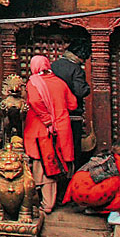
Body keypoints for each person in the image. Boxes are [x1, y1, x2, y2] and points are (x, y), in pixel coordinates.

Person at [23, 54, 77, 215]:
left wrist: (47, 119)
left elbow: (34, 101)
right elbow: (73, 104)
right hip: (62, 128)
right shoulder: (60, 83)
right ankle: (60, 198)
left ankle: (46, 203)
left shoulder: (33, 83)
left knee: (45, 165)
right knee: (61, 163)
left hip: (41, 130)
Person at [65, 144, 120, 220]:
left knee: (110, 183)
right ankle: (114, 215)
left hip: (74, 192)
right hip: (88, 194)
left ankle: (94, 209)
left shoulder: (103, 156)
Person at [51, 42, 90, 164]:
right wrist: (87, 88)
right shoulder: (76, 69)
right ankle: (71, 174)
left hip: (53, 112)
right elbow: (80, 91)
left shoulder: (54, 65)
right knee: (73, 146)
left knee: (56, 146)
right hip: (72, 113)